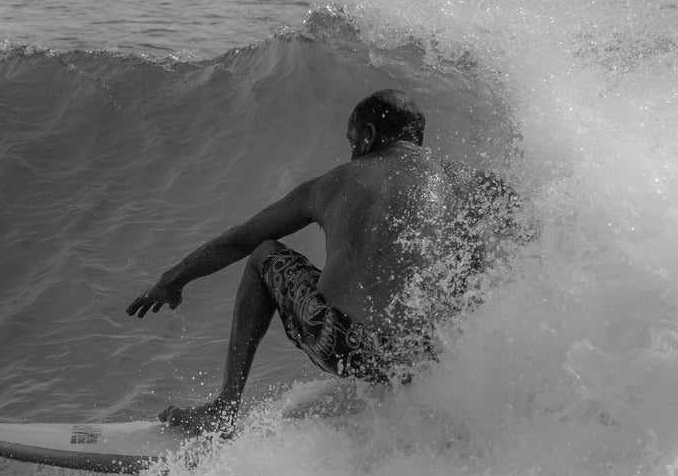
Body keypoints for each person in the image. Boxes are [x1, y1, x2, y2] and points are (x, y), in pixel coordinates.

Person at [125, 89, 447, 434]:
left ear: (368, 135)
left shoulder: (337, 182)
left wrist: (173, 280)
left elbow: (240, 239)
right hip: (419, 359)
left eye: (352, 141)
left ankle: (224, 407)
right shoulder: (457, 184)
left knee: (263, 254)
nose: (352, 153)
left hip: (343, 344)